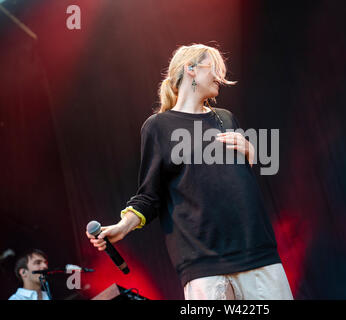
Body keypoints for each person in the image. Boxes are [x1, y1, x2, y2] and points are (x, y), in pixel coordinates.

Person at [86, 43, 293, 300]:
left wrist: (251, 154)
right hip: (203, 260)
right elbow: (150, 195)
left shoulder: (225, 118)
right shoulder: (158, 127)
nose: (220, 77)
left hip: (256, 251)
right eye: (214, 68)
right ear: (191, 69)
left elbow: (233, 181)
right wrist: (123, 226)